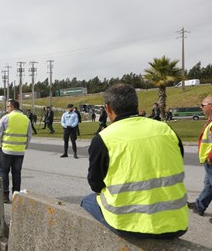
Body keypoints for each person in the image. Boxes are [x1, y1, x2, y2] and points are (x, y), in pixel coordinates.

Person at [81, 83, 188, 239]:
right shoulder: (165, 129)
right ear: (136, 105)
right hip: (176, 223)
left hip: (129, 226)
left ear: (108, 108)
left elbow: (95, 183)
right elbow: (178, 159)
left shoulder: (104, 138)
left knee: (86, 201)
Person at [0, 99, 32, 203]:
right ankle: (16, 195)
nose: (7, 109)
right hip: (20, 151)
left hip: (6, 150)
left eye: (8, 106)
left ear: (12, 107)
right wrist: (24, 146)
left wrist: (0, 145)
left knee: (4, 171)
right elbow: (29, 135)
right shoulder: (26, 119)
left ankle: (5, 195)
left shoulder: (6, 118)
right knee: (17, 173)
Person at [187, 95, 212, 217]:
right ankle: (199, 206)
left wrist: (210, 156)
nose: (201, 107)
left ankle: (199, 206)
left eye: (203, 105)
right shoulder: (210, 120)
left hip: (211, 160)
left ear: (211, 106)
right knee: (208, 184)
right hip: (208, 161)